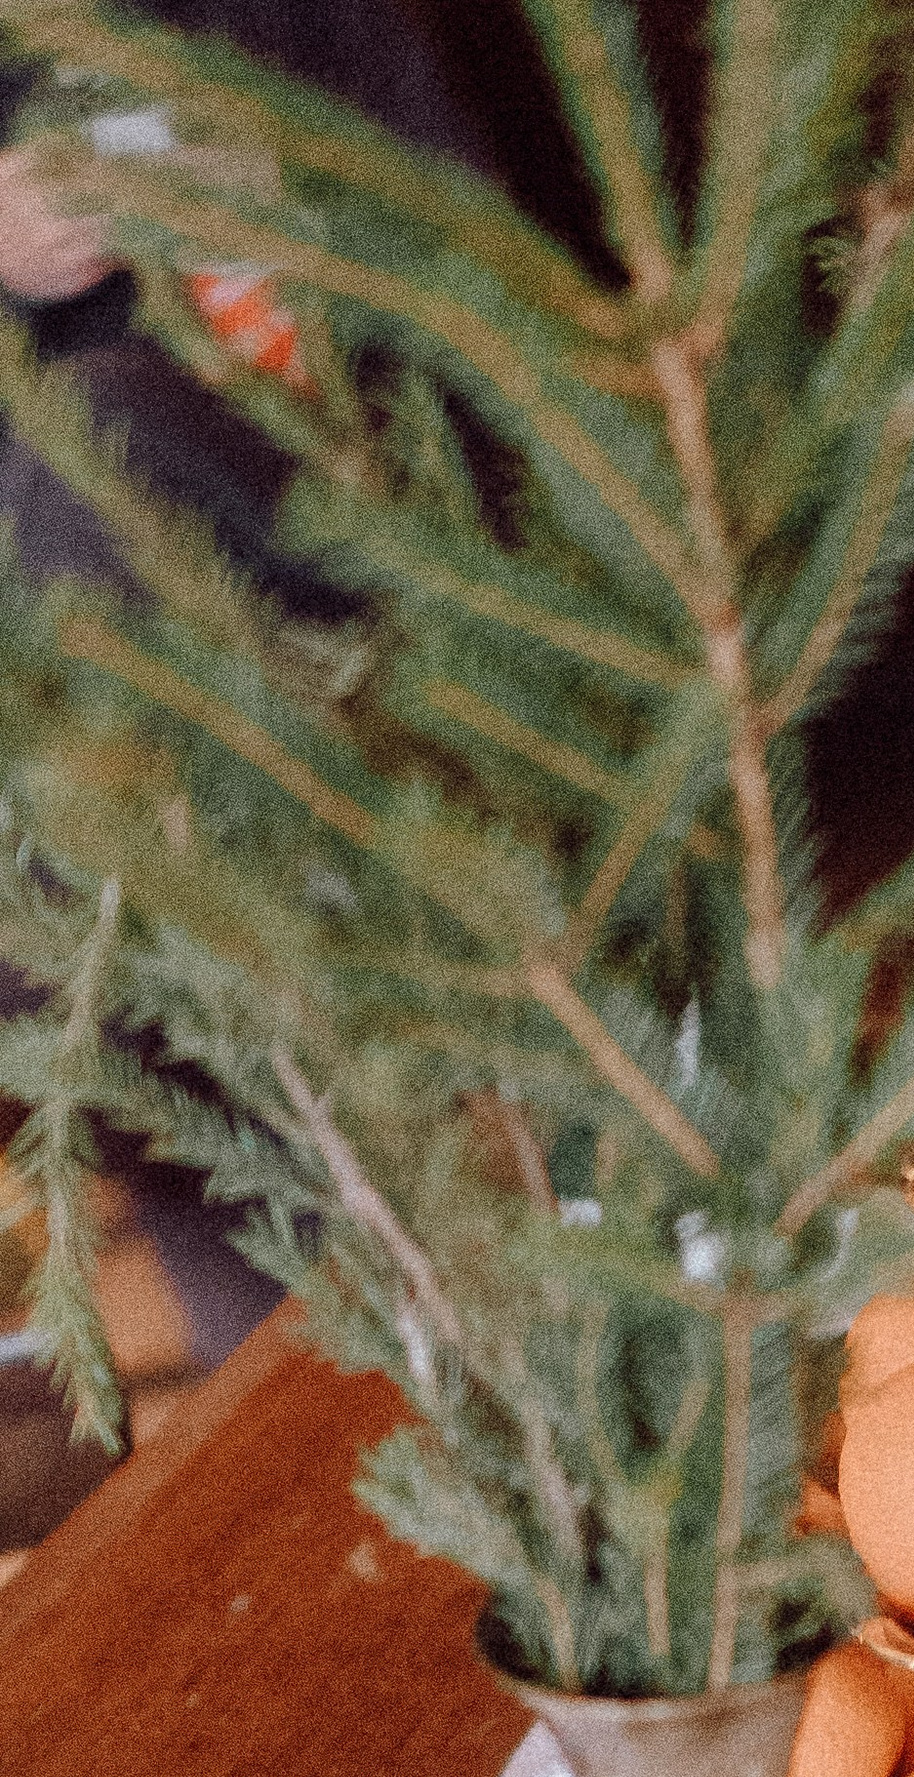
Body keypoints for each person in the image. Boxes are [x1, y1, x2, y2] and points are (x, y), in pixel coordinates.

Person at [0, 1, 489, 1365]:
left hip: (317, 511)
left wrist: (297, 218)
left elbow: (485, 282)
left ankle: (292, 1318)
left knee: (97, 467)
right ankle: (270, 1324)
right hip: (65, 636)